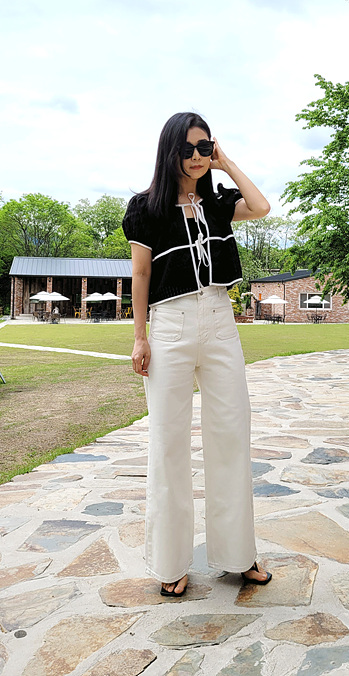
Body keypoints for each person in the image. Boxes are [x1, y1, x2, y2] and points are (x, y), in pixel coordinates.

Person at [122, 112, 273, 597]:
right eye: (187, 148)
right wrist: (140, 336)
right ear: (169, 151)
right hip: (170, 324)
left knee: (232, 434)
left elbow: (262, 206)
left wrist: (225, 163)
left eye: (204, 147)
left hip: (221, 321)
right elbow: (141, 275)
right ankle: (171, 562)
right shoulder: (146, 208)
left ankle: (239, 554)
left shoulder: (219, 202)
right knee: (168, 442)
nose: (196, 157)